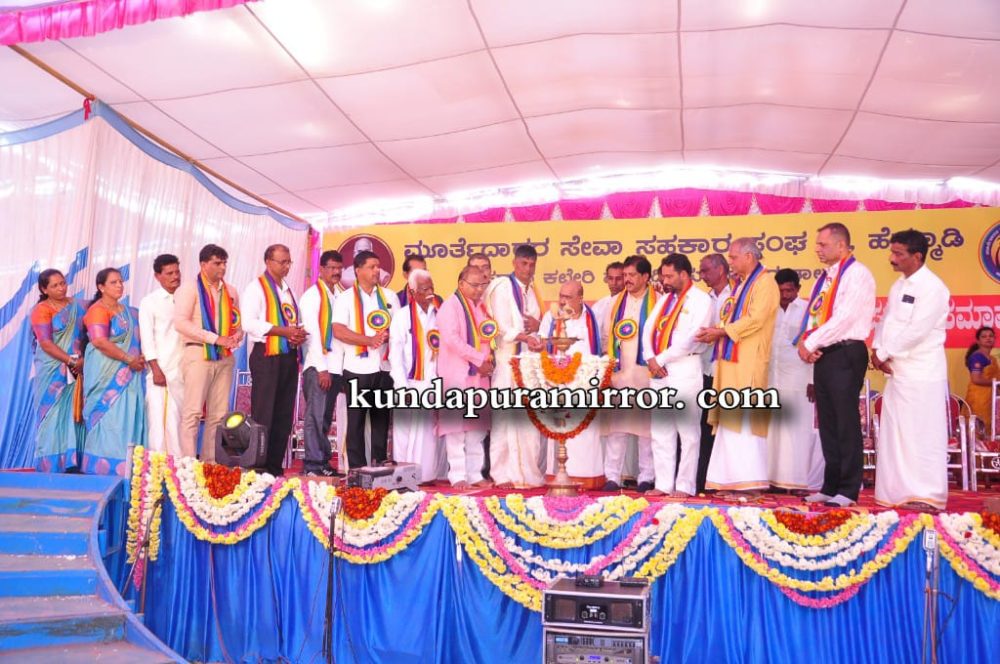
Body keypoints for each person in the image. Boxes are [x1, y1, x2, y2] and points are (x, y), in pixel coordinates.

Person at [796, 222, 876, 507]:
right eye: (817, 244)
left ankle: (848, 489)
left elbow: (844, 318)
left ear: (841, 245)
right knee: (828, 422)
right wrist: (809, 343)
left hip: (846, 351)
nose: (817, 249)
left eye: (823, 244)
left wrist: (810, 343)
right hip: (825, 353)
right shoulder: (826, 277)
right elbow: (816, 317)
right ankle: (830, 486)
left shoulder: (857, 274)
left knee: (845, 421)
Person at [872, 229, 951, 511]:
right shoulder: (899, 285)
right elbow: (886, 321)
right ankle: (899, 493)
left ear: (917, 256)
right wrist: (877, 349)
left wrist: (884, 353)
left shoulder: (933, 287)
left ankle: (927, 495)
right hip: (897, 373)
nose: (892, 258)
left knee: (922, 435)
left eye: (898, 254)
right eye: (892, 252)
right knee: (897, 434)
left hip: (922, 373)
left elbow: (917, 330)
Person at [696, 238, 779, 498]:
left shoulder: (766, 283)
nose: (730, 262)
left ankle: (750, 483)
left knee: (744, 421)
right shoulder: (741, 285)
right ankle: (728, 481)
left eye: (733, 257)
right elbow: (731, 319)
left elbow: (756, 320)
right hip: (731, 363)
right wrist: (715, 331)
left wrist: (721, 332)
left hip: (748, 363)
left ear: (749, 257)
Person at [642, 255, 711, 497]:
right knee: (661, 431)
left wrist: (659, 359)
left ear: (684, 274)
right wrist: (650, 357)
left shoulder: (701, 300)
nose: (665, 281)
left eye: (670, 276)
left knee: (688, 432)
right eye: (663, 276)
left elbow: (692, 337)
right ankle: (663, 484)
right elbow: (648, 329)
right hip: (659, 370)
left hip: (685, 367)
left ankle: (684, 486)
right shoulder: (665, 300)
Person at [241, 244, 307, 476]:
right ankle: (258, 467)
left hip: (288, 355)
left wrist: (297, 334)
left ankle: (274, 467)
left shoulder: (289, 290)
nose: (287, 266)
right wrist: (283, 331)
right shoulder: (256, 288)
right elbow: (248, 323)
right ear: (268, 262)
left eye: (289, 262)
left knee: (283, 414)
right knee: (264, 413)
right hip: (266, 356)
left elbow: (292, 321)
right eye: (282, 262)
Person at [174, 244, 243, 462]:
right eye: (217, 263)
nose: (222, 267)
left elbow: (237, 323)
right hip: (198, 354)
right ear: (203, 264)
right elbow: (180, 323)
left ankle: (210, 463)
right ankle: (188, 465)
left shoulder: (231, 291)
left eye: (224, 263)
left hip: (225, 356)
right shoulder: (189, 289)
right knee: (193, 412)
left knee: (219, 415)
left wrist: (237, 335)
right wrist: (214, 338)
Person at [332, 249, 399, 469]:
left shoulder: (389, 297)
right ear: (358, 270)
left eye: (378, 267)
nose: (377, 271)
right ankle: (357, 470)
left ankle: (379, 466)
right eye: (371, 267)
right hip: (357, 368)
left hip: (384, 367)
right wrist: (369, 340)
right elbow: (339, 331)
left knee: (381, 421)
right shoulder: (344, 298)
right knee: (356, 422)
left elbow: (399, 329)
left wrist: (389, 334)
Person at [486, 244, 546, 488]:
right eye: (524, 263)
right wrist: (524, 337)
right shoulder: (502, 287)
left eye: (532, 264)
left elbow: (536, 324)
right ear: (514, 263)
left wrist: (537, 329)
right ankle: (502, 475)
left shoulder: (533, 290)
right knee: (504, 421)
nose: (528, 269)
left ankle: (528, 474)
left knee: (529, 422)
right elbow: (499, 326)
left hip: (528, 365)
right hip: (506, 363)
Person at [538, 280, 604, 487]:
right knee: (559, 428)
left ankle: (586, 477)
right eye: (561, 296)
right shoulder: (551, 317)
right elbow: (543, 343)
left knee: (585, 433)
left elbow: (598, 349)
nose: (562, 300)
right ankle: (558, 475)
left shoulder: (592, 318)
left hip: (584, 383)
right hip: (557, 382)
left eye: (568, 297)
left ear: (580, 298)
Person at [81, 268, 146, 475]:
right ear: (101, 287)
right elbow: (100, 341)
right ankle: (103, 471)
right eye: (113, 282)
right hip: (105, 373)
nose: (119, 285)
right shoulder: (97, 310)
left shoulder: (131, 312)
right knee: (108, 419)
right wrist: (129, 359)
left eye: (120, 282)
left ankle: (128, 469)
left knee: (128, 417)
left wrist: (139, 358)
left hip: (131, 374)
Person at [602, 255, 657, 493]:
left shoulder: (658, 301)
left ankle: (647, 476)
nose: (627, 279)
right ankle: (612, 477)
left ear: (645, 277)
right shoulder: (616, 303)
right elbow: (607, 336)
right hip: (621, 373)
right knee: (617, 428)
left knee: (647, 431)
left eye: (632, 275)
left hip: (647, 375)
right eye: (625, 275)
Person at [436, 266, 494, 488]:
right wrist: (479, 359)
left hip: (478, 377)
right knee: (456, 429)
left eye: (482, 285)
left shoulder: (481, 307)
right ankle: (458, 476)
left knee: (476, 428)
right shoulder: (449, 306)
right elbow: (452, 340)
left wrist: (488, 361)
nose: (479, 289)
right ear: (461, 283)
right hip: (457, 375)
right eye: (475, 285)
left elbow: (487, 338)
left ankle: (475, 474)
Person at [767, 269, 823, 493]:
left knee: (797, 431)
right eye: (780, 291)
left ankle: (798, 482)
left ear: (798, 289)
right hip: (772, 378)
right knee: (774, 432)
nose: (785, 295)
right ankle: (773, 481)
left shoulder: (808, 312)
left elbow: (816, 345)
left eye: (789, 290)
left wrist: (813, 379)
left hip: (799, 378)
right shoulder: (769, 310)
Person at [389, 268, 445, 483]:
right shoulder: (402, 316)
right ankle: (404, 477)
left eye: (431, 288)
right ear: (412, 292)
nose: (430, 293)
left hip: (432, 383)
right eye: (424, 289)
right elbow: (395, 355)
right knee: (404, 434)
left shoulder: (439, 314)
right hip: (408, 383)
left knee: (428, 434)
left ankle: (427, 475)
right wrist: (402, 388)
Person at [30, 269, 86, 472]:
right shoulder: (41, 310)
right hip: (52, 369)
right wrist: (70, 361)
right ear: (44, 289)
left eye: (63, 283)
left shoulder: (78, 306)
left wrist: (82, 360)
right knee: (51, 413)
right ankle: (50, 466)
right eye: (55, 285)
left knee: (74, 411)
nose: (61, 288)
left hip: (77, 367)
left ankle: (72, 462)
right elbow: (46, 343)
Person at [298, 250, 346, 477]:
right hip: (319, 366)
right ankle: (313, 465)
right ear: (322, 269)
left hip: (336, 366)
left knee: (325, 418)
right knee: (315, 416)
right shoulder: (312, 296)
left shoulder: (339, 295)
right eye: (332, 268)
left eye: (339, 268)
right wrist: (322, 368)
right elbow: (312, 334)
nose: (336, 272)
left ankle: (323, 462)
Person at [139, 254, 184, 457]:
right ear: (158, 276)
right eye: (169, 273)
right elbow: (147, 339)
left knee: (181, 422)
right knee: (161, 422)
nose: (175, 276)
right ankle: (162, 467)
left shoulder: (187, 298)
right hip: (163, 371)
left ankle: (183, 466)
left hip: (185, 370)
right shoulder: (150, 302)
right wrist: (156, 370)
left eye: (177, 272)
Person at [695, 254, 732, 493]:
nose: (702, 275)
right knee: (704, 427)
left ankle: (725, 480)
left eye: (706, 270)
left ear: (720, 270)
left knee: (726, 428)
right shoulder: (703, 299)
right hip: (705, 371)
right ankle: (703, 480)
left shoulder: (737, 295)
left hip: (728, 371)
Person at [965, 326, 998, 436]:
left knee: (991, 427)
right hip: (978, 399)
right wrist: (995, 383)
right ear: (978, 341)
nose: (988, 338)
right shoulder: (977, 357)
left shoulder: (992, 358)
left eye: (991, 336)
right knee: (979, 428)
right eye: (984, 336)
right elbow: (976, 379)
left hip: (991, 398)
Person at [593, 261, 625, 345]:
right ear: (606, 279)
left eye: (618, 279)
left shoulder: (631, 304)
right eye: (610, 278)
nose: (614, 283)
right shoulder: (599, 305)